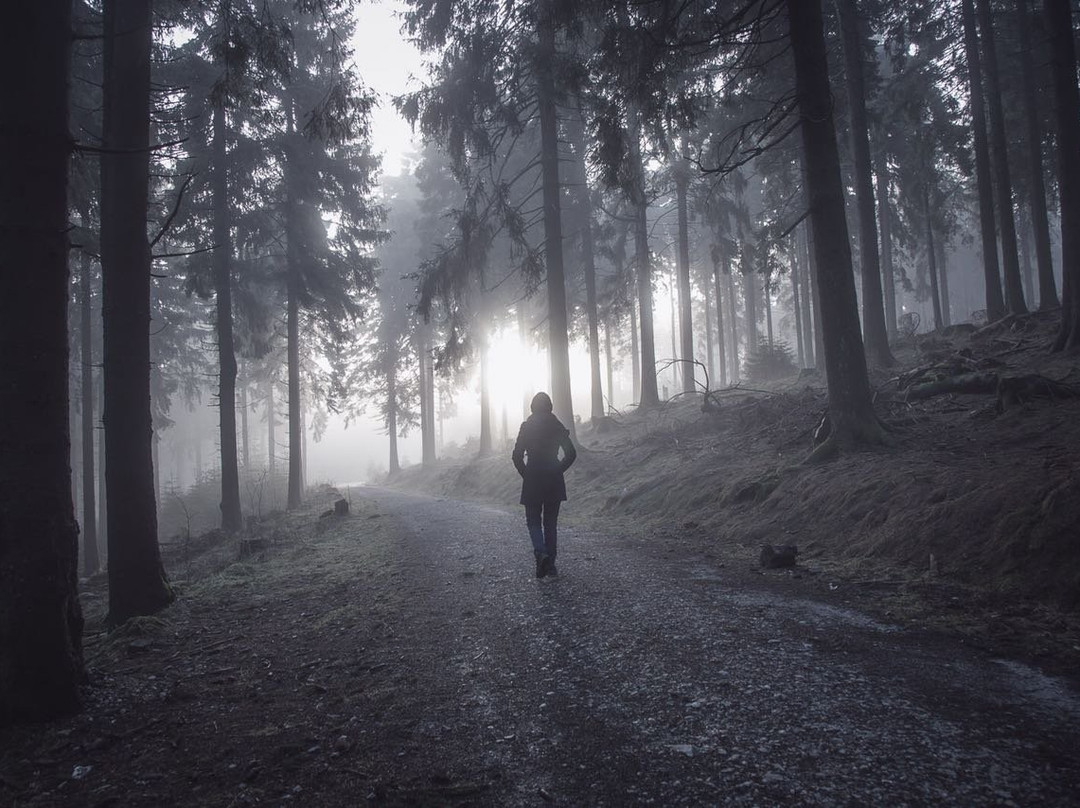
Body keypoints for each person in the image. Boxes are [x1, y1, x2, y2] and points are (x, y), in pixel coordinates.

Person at [511, 391, 577, 578]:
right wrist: (558, 470)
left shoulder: (526, 427)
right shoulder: (556, 425)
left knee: (533, 520)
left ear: (532, 407)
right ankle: (551, 565)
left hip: (532, 477)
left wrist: (527, 474)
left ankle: (541, 553)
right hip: (553, 478)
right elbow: (571, 453)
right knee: (550, 523)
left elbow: (516, 456)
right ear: (550, 406)